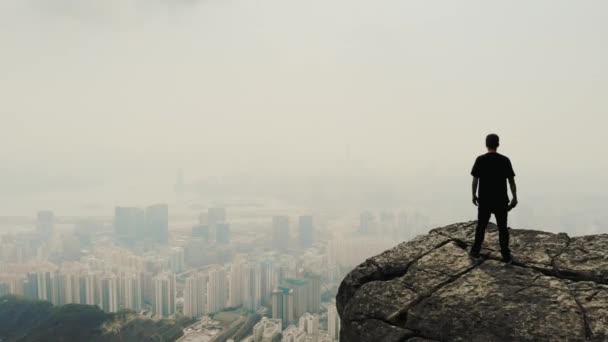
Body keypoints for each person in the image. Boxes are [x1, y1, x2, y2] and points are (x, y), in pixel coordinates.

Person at [469, 134, 517, 264]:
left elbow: (475, 180)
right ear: (498, 144)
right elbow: (511, 181)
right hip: (501, 200)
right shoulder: (505, 160)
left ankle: (475, 251)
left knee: (481, 227)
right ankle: (506, 256)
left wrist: (474, 195)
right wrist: (514, 197)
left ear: (486, 144)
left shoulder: (480, 160)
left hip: (484, 200)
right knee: (502, 228)